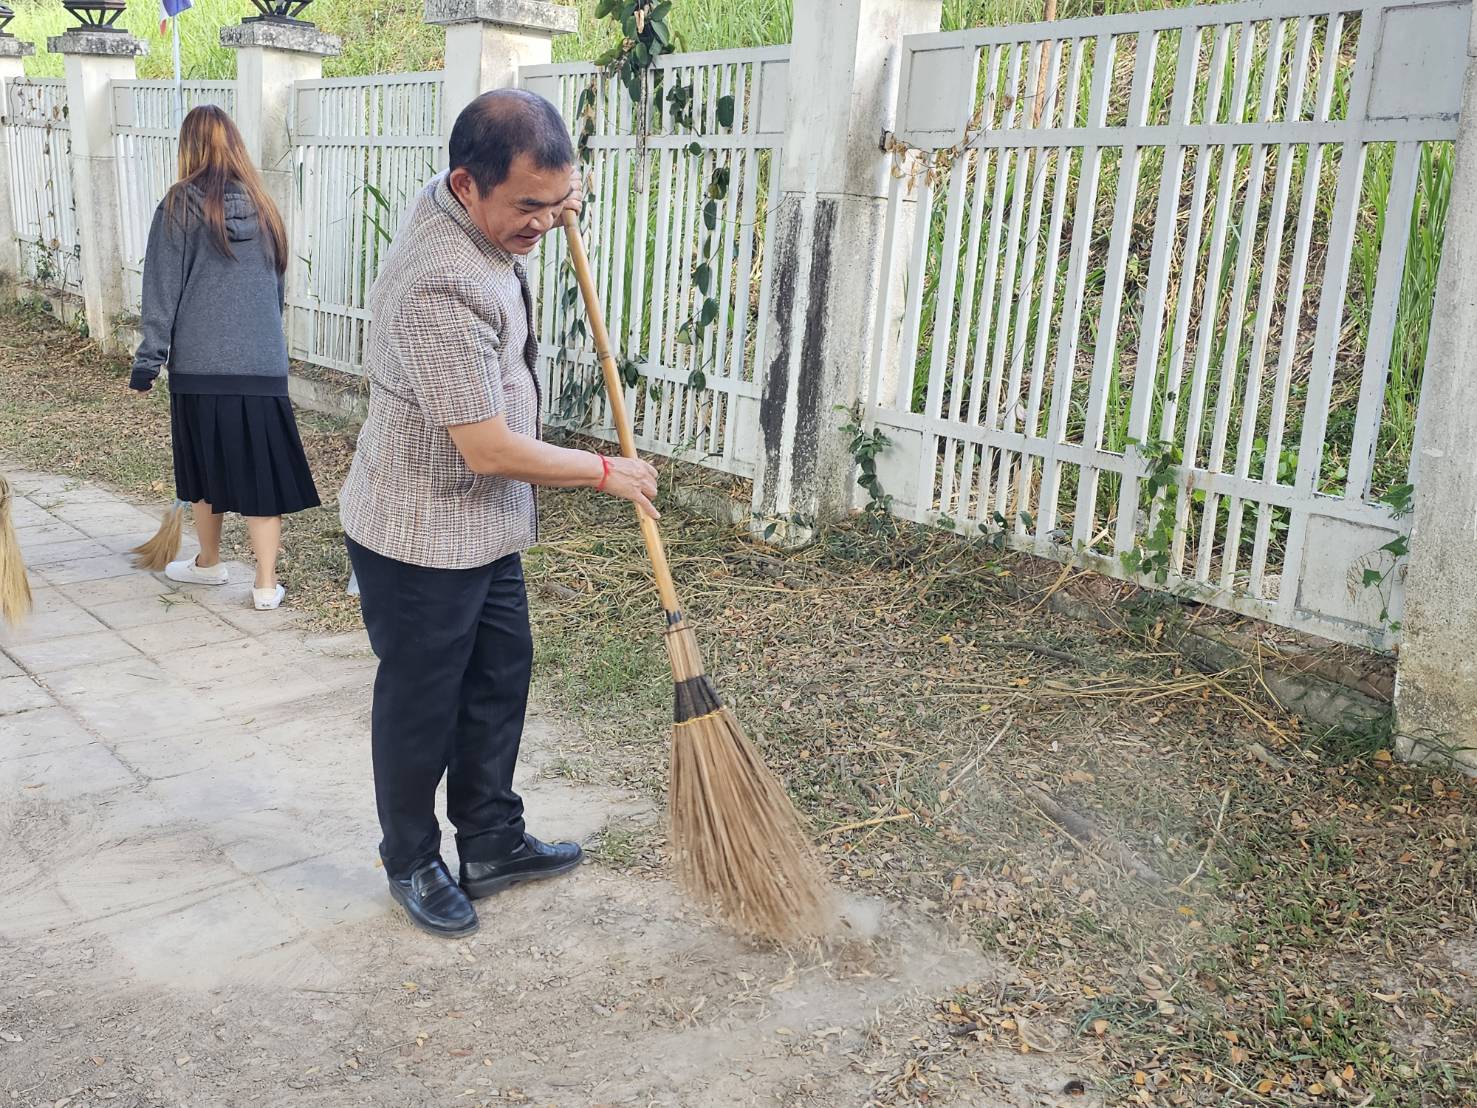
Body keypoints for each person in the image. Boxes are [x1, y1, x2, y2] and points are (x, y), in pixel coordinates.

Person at [339, 89, 660, 937]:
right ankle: (411, 859)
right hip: (419, 533)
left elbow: (539, 194)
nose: (545, 224)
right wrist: (604, 471)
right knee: (422, 705)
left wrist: (552, 199)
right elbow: (484, 447)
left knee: (495, 684)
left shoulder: (472, 206)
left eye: (559, 205)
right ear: (466, 184)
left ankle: (490, 842)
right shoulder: (436, 285)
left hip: (484, 526)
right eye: (528, 206)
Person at [128, 105, 320, 611]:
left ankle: (210, 563)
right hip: (262, 367)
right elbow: (275, 291)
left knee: (203, 465)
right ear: (235, 144)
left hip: (199, 366)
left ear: (188, 148)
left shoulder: (178, 207)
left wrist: (148, 361)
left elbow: (161, 289)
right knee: (262, 474)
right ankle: (263, 584)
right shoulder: (266, 209)